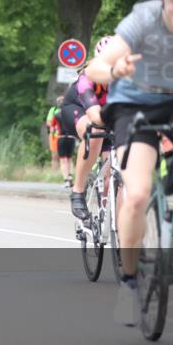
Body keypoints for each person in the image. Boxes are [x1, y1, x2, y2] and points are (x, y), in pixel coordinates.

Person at [85, 0, 173, 326]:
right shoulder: (143, 19)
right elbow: (94, 68)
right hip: (133, 105)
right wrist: (115, 70)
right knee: (136, 195)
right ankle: (130, 279)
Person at [60, 36, 113, 220]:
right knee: (96, 131)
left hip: (107, 115)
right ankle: (78, 191)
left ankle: (110, 218)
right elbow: (96, 116)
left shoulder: (127, 79)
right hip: (78, 110)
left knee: (115, 170)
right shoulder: (87, 78)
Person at [45, 98, 62, 171]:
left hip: (64, 135)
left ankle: (65, 173)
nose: (60, 103)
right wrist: (54, 126)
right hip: (54, 136)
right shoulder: (53, 110)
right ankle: (55, 173)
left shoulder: (67, 109)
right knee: (55, 156)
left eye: (62, 101)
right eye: (59, 101)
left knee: (65, 157)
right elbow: (48, 122)